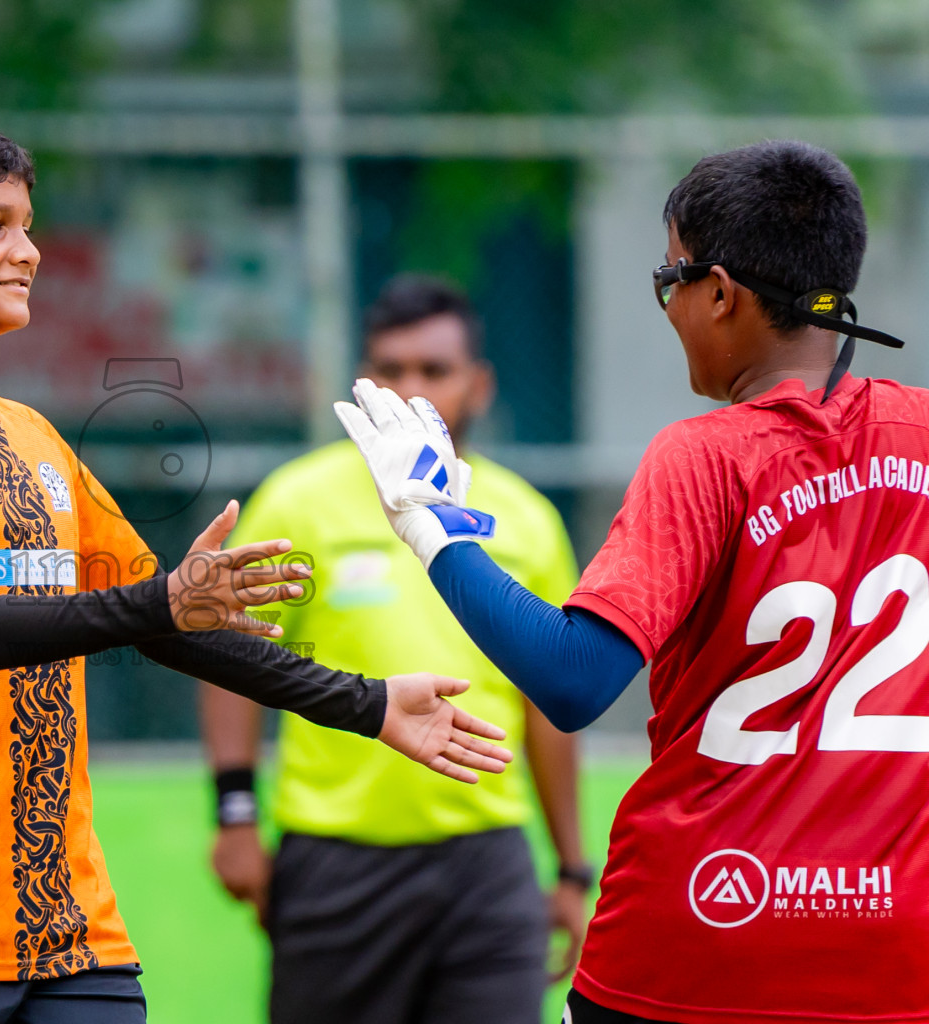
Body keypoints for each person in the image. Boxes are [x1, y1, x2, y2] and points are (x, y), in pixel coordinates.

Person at [0, 119, 512, 1024]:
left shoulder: (33, 436)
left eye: (27, 224)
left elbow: (167, 622)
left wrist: (365, 703)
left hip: (71, 931)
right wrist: (161, 598)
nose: (29, 251)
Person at [335, 140, 924, 1024]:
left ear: (720, 291)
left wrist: (438, 536)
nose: (668, 304)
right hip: (896, 942)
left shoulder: (706, 455)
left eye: (670, 279)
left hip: (699, 940)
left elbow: (574, 682)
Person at [199, 276, 590, 1024]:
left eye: (434, 371)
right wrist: (236, 814)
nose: (411, 390)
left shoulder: (529, 520)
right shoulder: (298, 499)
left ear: (479, 385)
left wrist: (571, 866)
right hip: (336, 858)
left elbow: (549, 703)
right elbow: (228, 655)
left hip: (487, 864)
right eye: (389, 371)